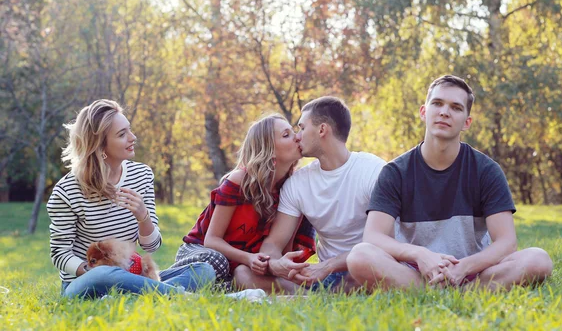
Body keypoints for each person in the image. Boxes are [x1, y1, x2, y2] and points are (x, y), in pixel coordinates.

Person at [347, 75, 553, 291]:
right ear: (423, 112)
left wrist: (463, 267)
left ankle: (456, 292)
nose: (444, 112)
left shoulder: (487, 171)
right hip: (414, 272)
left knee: (538, 260)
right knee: (360, 256)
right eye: (437, 103)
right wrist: (421, 254)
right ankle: (433, 291)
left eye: (455, 107)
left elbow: (507, 243)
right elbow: (373, 236)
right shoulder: (395, 172)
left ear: (467, 122)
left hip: (473, 272)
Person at [47, 99, 215, 298]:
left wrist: (143, 216)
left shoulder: (142, 175)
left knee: (204, 270)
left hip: (133, 275)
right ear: (99, 146)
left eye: (129, 130)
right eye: (122, 134)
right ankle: (181, 297)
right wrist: (94, 271)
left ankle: (130, 297)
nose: (132, 137)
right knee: (104, 274)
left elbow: (151, 246)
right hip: (86, 282)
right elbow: (60, 253)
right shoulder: (66, 190)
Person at [237, 97, 386, 293]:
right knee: (242, 274)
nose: (297, 137)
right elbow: (273, 243)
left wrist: (328, 265)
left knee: (364, 274)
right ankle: (311, 296)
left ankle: (318, 296)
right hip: (325, 276)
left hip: (365, 270)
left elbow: (381, 242)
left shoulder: (373, 170)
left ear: (322, 130)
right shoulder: (298, 183)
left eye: (301, 128)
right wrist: (276, 264)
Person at [174, 114, 316, 293]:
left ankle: (302, 294)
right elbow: (211, 240)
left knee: (241, 275)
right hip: (202, 252)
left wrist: (280, 266)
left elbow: (281, 247)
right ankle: (163, 283)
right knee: (217, 264)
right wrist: (248, 258)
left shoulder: (292, 187)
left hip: (244, 263)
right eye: (286, 135)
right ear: (269, 149)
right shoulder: (240, 181)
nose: (297, 136)